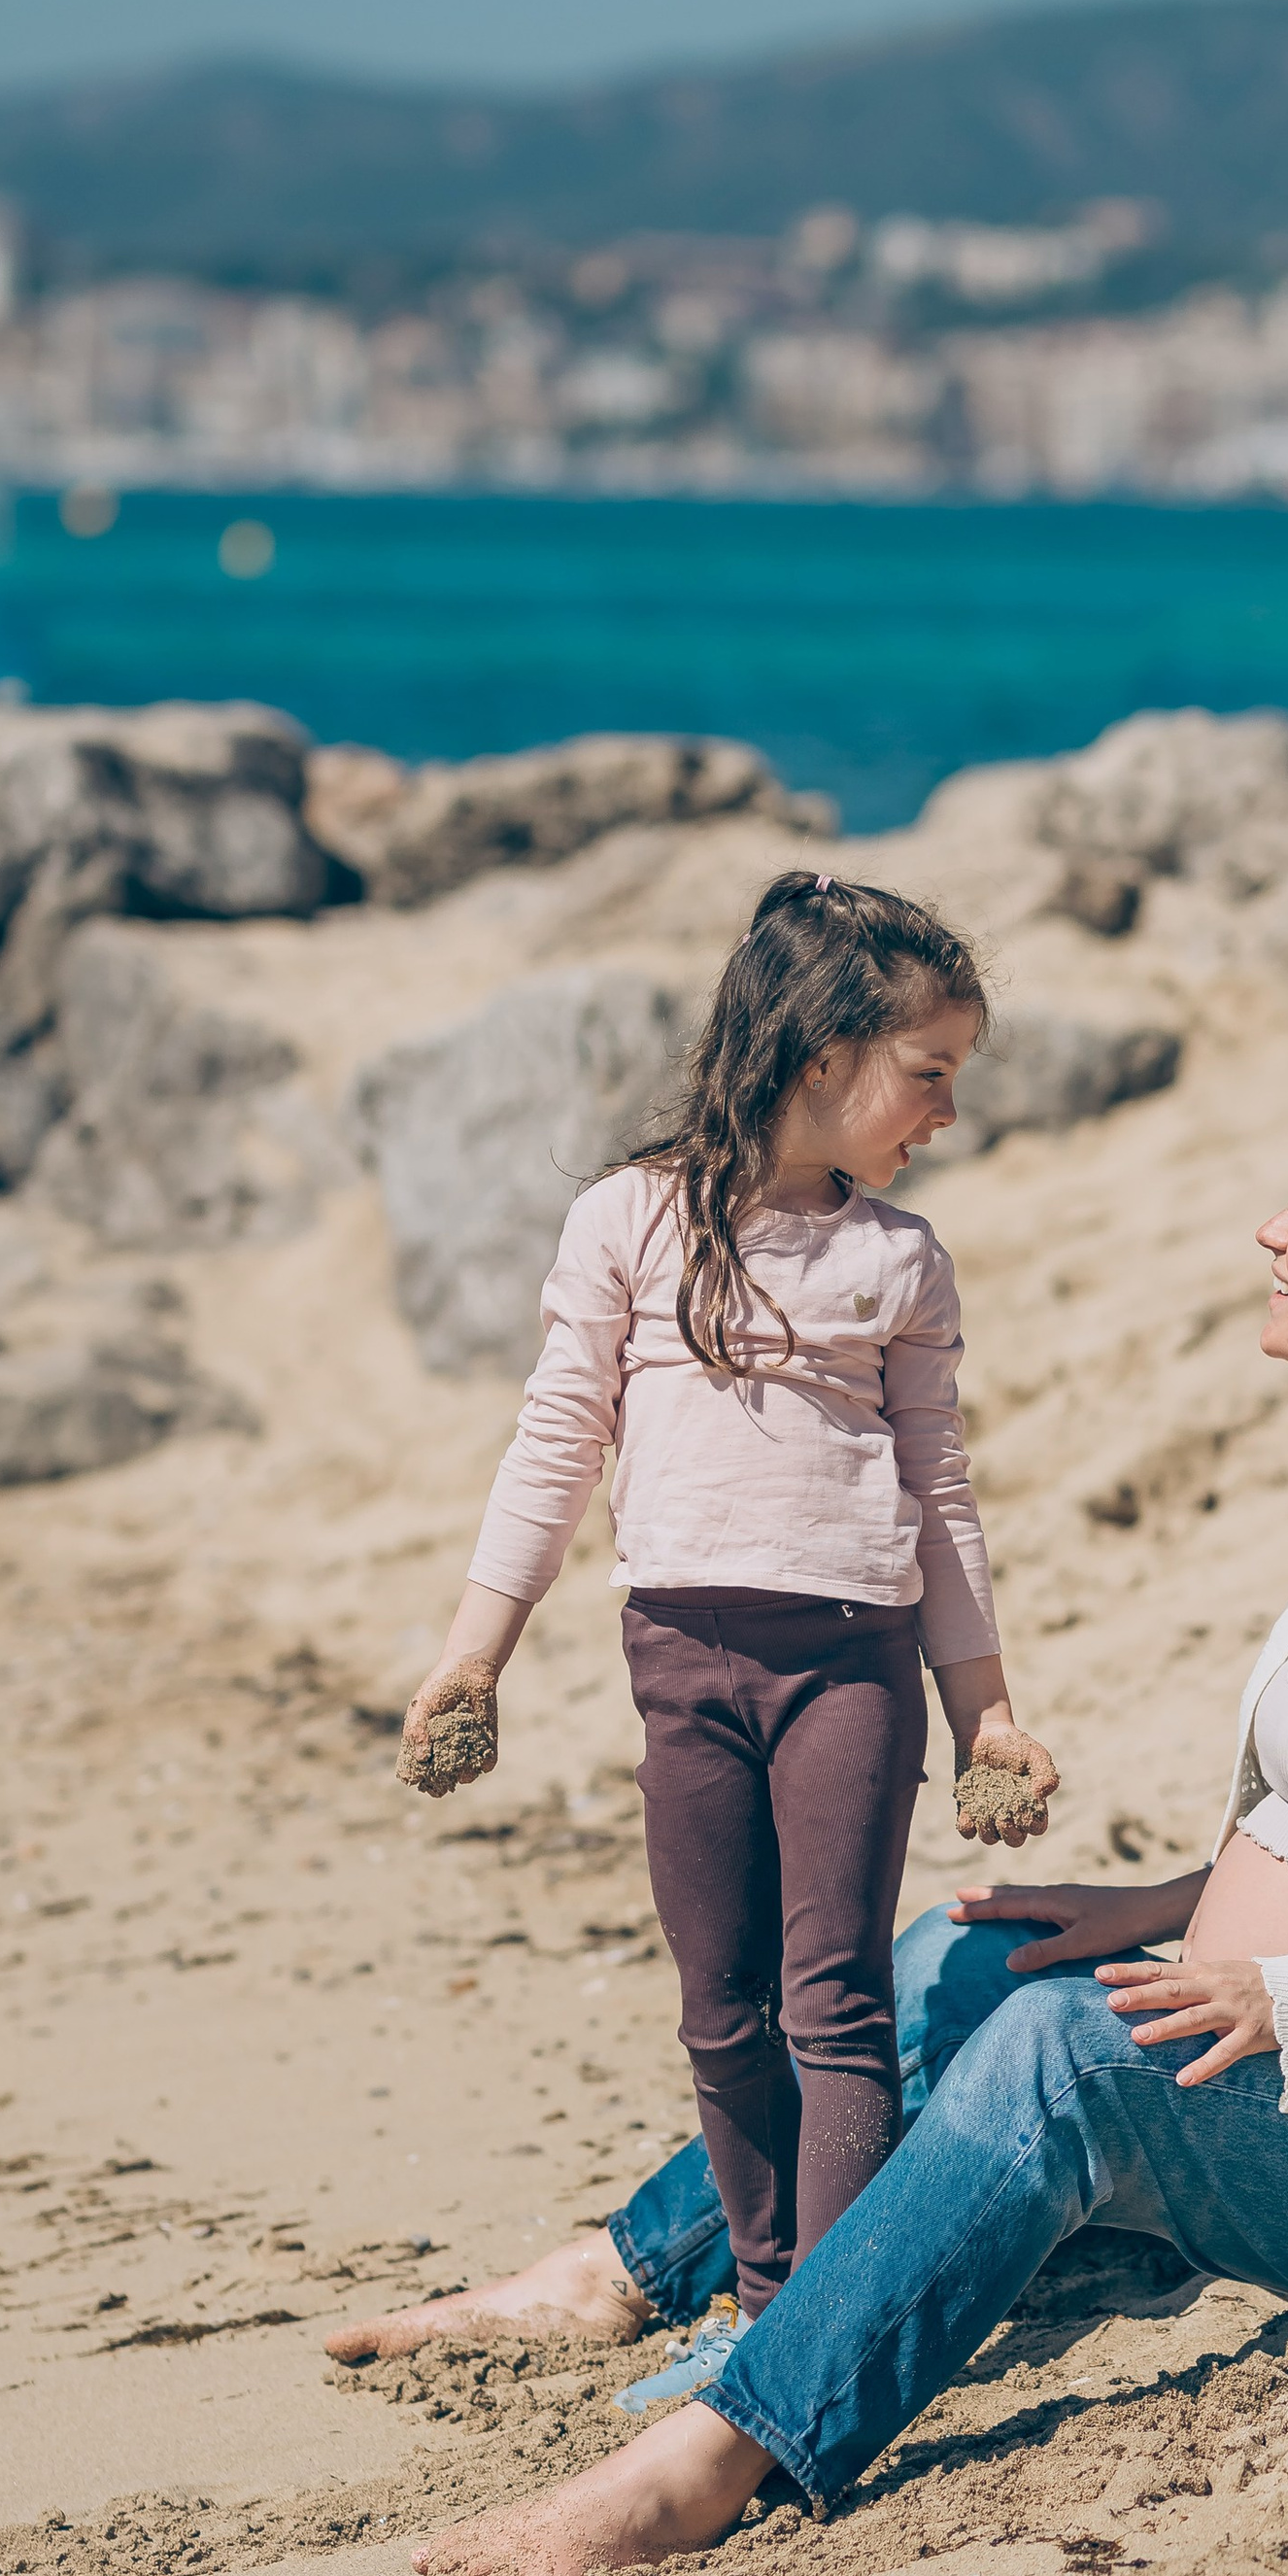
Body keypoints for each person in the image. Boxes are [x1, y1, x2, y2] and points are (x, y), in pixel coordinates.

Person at [352, 1089, 1288, 2576]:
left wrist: (1285, 1993)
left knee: (1059, 2050)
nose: (1273, 1232)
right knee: (973, 1949)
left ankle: (709, 2462)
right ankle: (622, 2270)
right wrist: (1170, 1905)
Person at [390, 867, 1058, 2335]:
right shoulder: (632, 1221)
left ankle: (822, 2323)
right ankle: (762, 2296)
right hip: (680, 1664)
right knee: (721, 2008)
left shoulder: (900, 1258)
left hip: (852, 1669)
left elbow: (939, 1489)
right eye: (928, 1074)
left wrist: (986, 1707)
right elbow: (558, 1442)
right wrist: (471, 1657)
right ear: (825, 1058)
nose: (946, 1114)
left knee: (837, 2003)